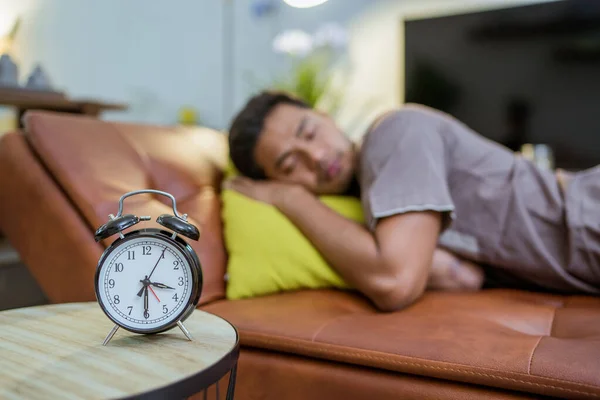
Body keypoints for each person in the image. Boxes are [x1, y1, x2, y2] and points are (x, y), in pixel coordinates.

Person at [224, 90, 600, 311]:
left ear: (325, 116)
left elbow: (394, 280)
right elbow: (463, 276)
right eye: (290, 166)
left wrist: (289, 197)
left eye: (309, 132)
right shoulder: (375, 199)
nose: (318, 158)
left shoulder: (392, 134)